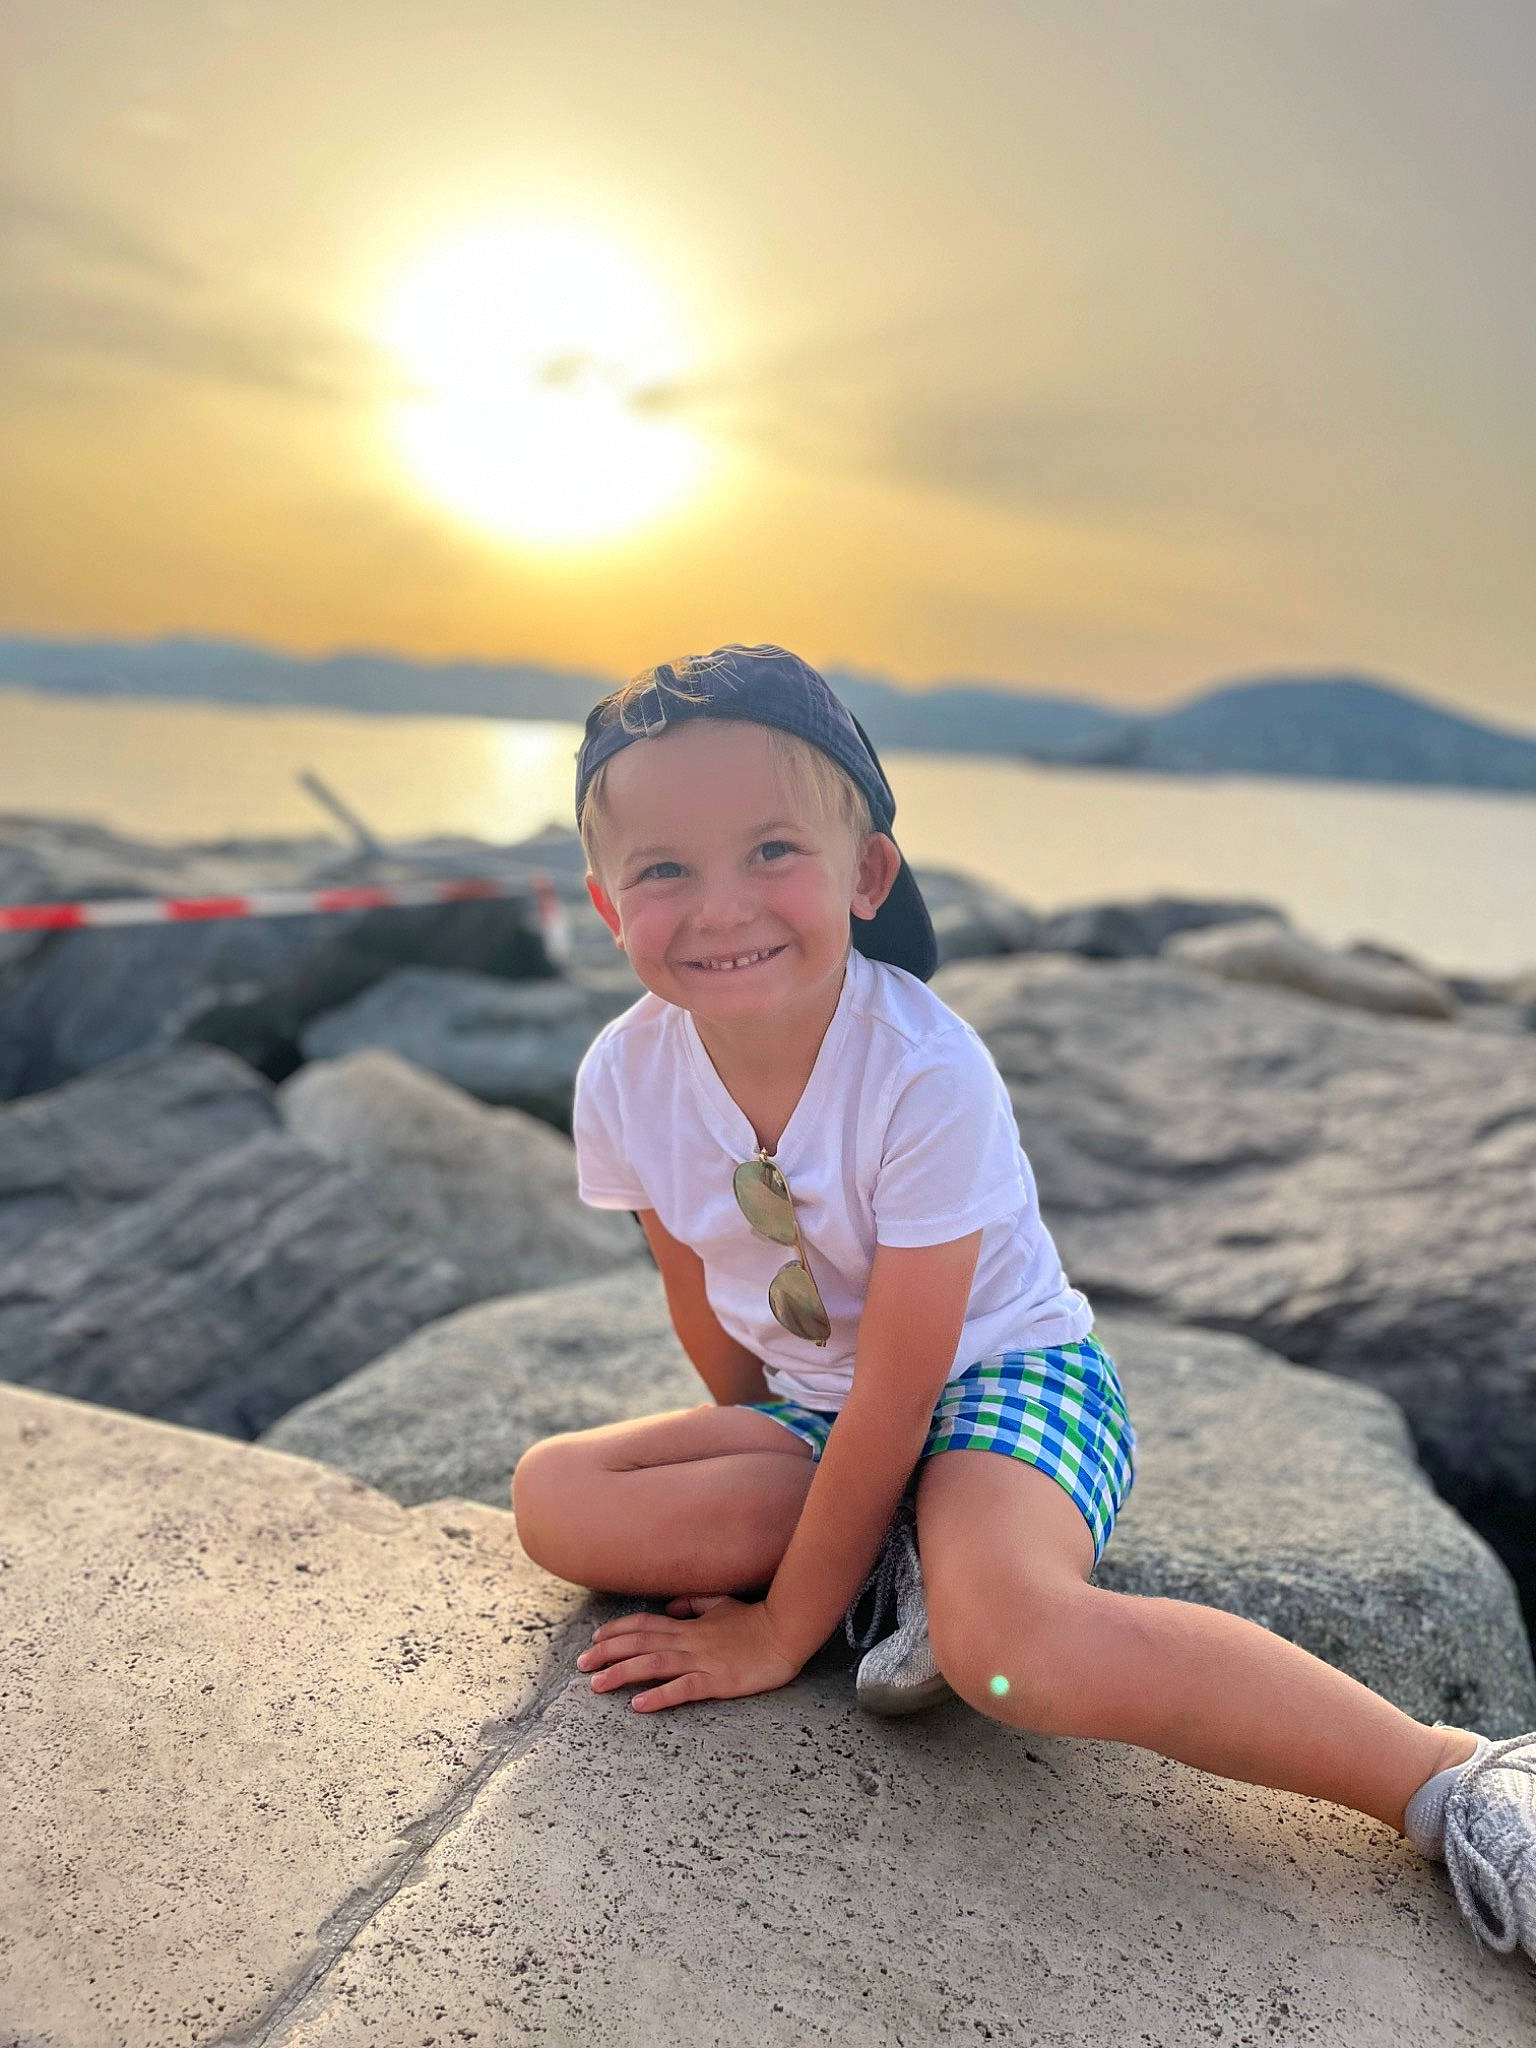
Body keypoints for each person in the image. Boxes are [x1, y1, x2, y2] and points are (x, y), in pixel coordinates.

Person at [511, 643, 1535, 1965]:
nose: (721, 907)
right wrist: (759, 1452)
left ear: (866, 873)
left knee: (1012, 1649)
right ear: (605, 906)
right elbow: (699, 1289)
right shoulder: (625, 1076)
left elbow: (904, 1376)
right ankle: (891, 1555)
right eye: (664, 870)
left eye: (772, 851)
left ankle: (1457, 1777)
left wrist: (780, 1624)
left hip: (1000, 1383)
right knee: (557, 1499)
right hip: (835, 1414)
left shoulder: (919, 1071)